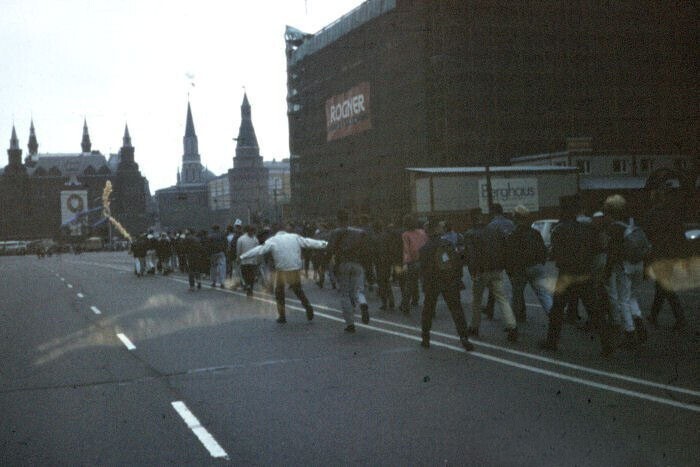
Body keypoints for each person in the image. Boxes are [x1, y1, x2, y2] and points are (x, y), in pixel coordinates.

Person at [540, 196, 615, 355]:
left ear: (564, 211)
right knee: (594, 310)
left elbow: (555, 254)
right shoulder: (587, 229)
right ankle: (607, 343)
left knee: (557, 310)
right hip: (584, 273)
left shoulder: (559, 229)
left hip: (567, 274)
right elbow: (597, 249)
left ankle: (552, 341)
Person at [240, 223, 327, 323]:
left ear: (275, 232)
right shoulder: (295, 237)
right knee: (298, 290)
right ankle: (307, 306)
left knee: (279, 292)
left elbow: (259, 250)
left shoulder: (272, 240)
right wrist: (326, 244)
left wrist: (244, 256)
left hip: (282, 270)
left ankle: (282, 316)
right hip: (294, 268)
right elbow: (310, 242)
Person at [419, 220, 474, 351]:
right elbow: (456, 262)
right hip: (449, 281)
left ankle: (425, 337)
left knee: (428, 309)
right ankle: (464, 337)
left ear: (427, 232)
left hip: (433, 282)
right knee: (456, 309)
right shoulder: (447, 244)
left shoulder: (424, 249)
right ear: (438, 230)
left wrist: (425, 285)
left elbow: (424, 270)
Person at [464, 208, 518, 342]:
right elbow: (502, 248)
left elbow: (471, 255)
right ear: (482, 217)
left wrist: (473, 271)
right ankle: (512, 326)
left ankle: (474, 326)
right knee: (502, 297)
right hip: (496, 269)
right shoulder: (494, 231)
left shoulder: (470, 234)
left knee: (477, 300)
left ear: (471, 218)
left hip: (480, 271)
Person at [601, 195, 647, 348]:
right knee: (633, 297)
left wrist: (607, 271)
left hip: (624, 266)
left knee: (623, 300)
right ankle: (640, 326)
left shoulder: (615, 227)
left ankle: (630, 332)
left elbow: (612, 252)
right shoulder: (632, 222)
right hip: (638, 263)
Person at [643, 183, 687, 330]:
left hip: (658, 255)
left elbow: (646, 236)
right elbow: (681, 237)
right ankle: (654, 315)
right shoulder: (674, 214)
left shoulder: (651, 215)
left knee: (665, 287)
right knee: (661, 287)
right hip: (671, 255)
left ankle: (680, 319)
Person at [327, 209, 371, 333]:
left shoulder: (335, 232)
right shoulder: (359, 232)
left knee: (345, 293)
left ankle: (350, 324)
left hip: (343, 264)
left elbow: (330, 249)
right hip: (358, 264)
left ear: (338, 220)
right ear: (348, 219)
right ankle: (362, 303)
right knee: (359, 290)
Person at [506, 205, 552, 323]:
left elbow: (510, 254)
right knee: (544, 294)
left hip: (520, 269)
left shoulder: (513, 234)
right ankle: (554, 317)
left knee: (516, 296)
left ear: (516, 218)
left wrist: (511, 271)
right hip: (536, 266)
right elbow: (543, 250)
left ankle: (513, 323)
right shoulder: (535, 233)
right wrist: (541, 262)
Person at [400, 214, 428, 314]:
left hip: (413, 262)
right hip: (424, 261)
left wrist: (406, 262)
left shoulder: (405, 234)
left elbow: (406, 250)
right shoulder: (422, 232)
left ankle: (405, 305)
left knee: (409, 285)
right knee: (425, 284)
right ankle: (429, 305)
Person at [237, 224, 260, 297]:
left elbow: (258, 250)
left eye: (253, 231)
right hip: (245, 261)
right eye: (251, 231)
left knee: (251, 276)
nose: (252, 232)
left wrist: (258, 259)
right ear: (248, 231)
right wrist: (238, 257)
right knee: (246, 275)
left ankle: (249, 288)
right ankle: (249, 287)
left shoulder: (255, 239)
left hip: (252, 261)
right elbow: (239, 250)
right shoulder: (241, 239)